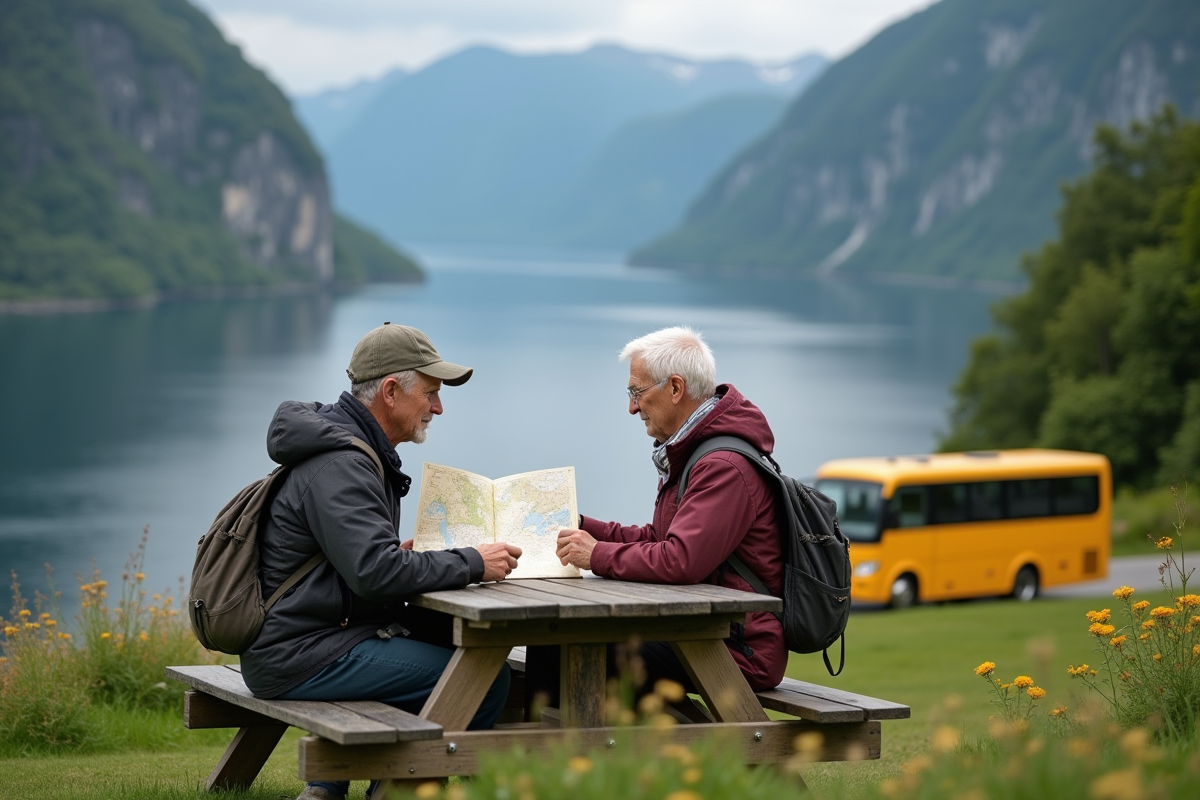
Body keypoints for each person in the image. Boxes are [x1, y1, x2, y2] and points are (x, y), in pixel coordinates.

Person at [240, 321, 522, 800]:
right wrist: (473, 561)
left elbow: (357, 562)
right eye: (430, 393)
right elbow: (374, 573)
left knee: (459, 659)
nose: (438, 407)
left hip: (310, 637)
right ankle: (397, 790)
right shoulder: (343, 463)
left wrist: (399, 553)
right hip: (301, 652)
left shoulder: (347, 446)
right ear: (391, 391)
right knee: (483, 680)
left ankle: (327, 787)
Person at [555, 326, 786, 695]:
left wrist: (595, 554)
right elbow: (659, 539)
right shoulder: (695, 451)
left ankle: (560, 747)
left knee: (571, 648)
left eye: (636, 392)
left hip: (735, 647)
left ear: (675, 389)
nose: (631, 407)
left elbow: (680, 559)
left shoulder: (723, 465)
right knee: (565, 644)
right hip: (702, 631)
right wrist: (581, 525)